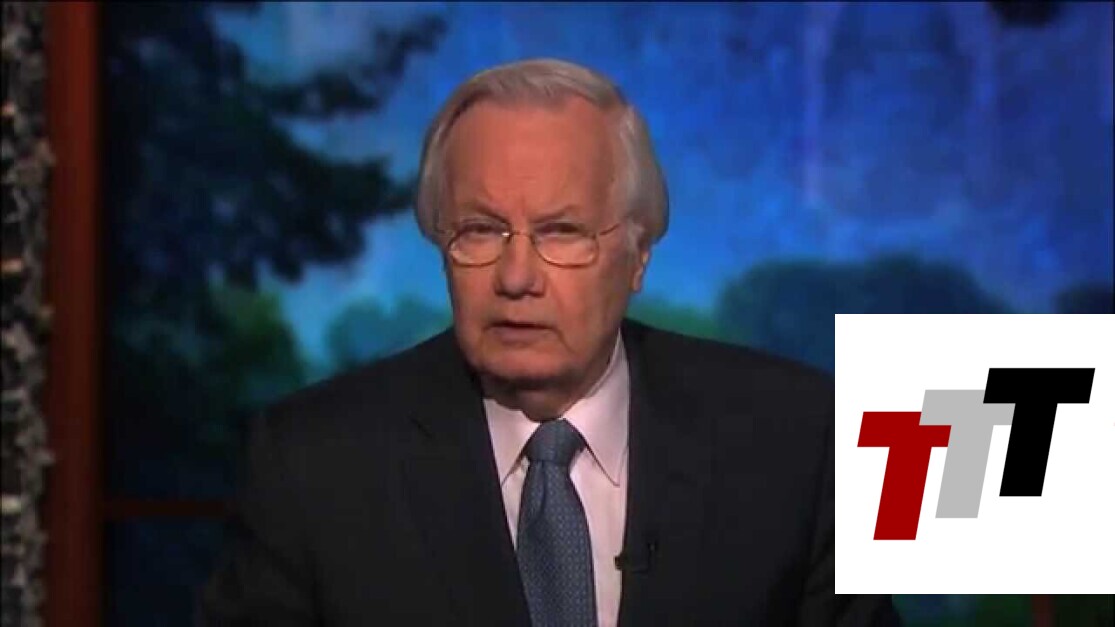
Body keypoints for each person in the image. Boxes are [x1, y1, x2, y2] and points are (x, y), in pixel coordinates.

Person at [200, 58, 899, 626]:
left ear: (637, 255)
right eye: (479, 230)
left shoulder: (797, 439)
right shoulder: (312, 465)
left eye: (561, 233)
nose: (515, 277)